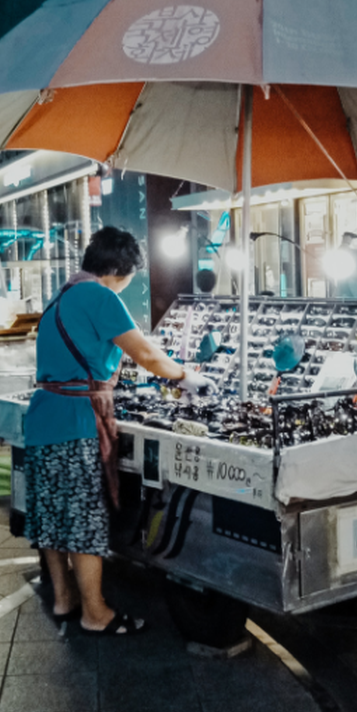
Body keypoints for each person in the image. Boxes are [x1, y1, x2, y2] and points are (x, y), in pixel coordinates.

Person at [23, 226, 213, 635]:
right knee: (84, 521)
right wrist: (187, 376)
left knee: (53, 518)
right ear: (120, 269)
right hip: (76, 421)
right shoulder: (100, 295)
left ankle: (63, 599)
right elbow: (145, 353)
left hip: (43, 418)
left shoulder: (62, 295)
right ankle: (96, 614)